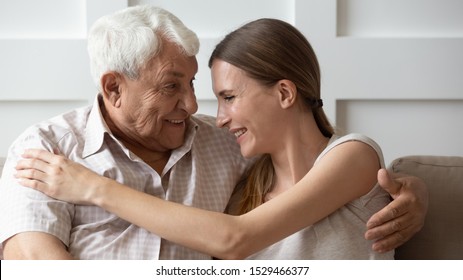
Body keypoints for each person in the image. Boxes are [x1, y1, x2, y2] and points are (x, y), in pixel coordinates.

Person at [11, 15, 427, 259]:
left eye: (220, 95)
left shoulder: (230, 146)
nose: (197, 108)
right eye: (172, 87)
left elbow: (236, 237)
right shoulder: (49, 153)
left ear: (285, 93)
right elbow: (31, 262)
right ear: (114, 88)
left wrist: (415, 189)